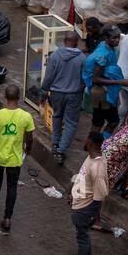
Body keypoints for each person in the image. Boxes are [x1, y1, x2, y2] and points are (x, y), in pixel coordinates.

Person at [0, 83, 34, 233]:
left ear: (5, 97)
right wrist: (28, 149)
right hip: (15, 160)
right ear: (18, 98)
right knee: (12, 187)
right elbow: (30, 138)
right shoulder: (26, 117)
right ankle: (7, 218)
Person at [62, 131, 108, 255]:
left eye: (87, 140)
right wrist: (73, 194)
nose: (84, 142)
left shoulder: (98, 168)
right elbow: (83, 180)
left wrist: (90, 212)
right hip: (81, 205)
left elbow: (101, 194)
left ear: (92, 144)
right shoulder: (91, 158)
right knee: (84, 235)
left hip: (86, 208)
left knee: (82, 237)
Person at [42, 31, 87, 164]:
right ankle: (61, 151)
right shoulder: (82, 58)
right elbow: (85, 78)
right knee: (71, 123)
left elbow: (48, 77)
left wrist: (43, 91)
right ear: (76, 42)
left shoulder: (55, 56)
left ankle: (55, 143)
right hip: (74, 95)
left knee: (57, 116)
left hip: (56, 94)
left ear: (64, 41)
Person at [83, 25, 126, 135]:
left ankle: (93, 145)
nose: (117, 40)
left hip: (101, 92)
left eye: (118, 37)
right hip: (102, 93)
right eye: (113, 38)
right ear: (106, 38)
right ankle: (99, 145)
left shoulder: (104, 45)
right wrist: (120, 82)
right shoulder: (103, 56)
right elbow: (96, 79)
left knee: (98, 122)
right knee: (111, 121)